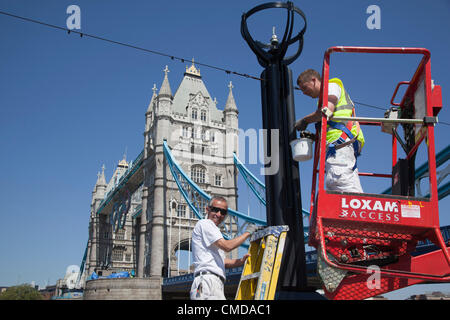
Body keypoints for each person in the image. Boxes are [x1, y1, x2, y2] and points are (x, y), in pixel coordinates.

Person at [294, 69, 365, 193]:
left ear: (314, 80)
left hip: (341, 142)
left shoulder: (331, 86)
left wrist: (305, 120)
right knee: (342, 183)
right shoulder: (324, 96)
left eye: (305, 88)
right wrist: (316, 137)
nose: (304, 93)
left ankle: (349, 209)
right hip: (340, 143)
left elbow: (327, 111)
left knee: (340, 181)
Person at [190, 196, 260, 300]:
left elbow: (222, 262)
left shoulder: (214, 231)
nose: (219, 214)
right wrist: (248, 232)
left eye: (223, 212)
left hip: (210, 282)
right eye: (215, 210)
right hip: (207, 281)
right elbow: (227, 246)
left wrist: (241, 261)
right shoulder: (205, 224)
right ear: (207, 209)